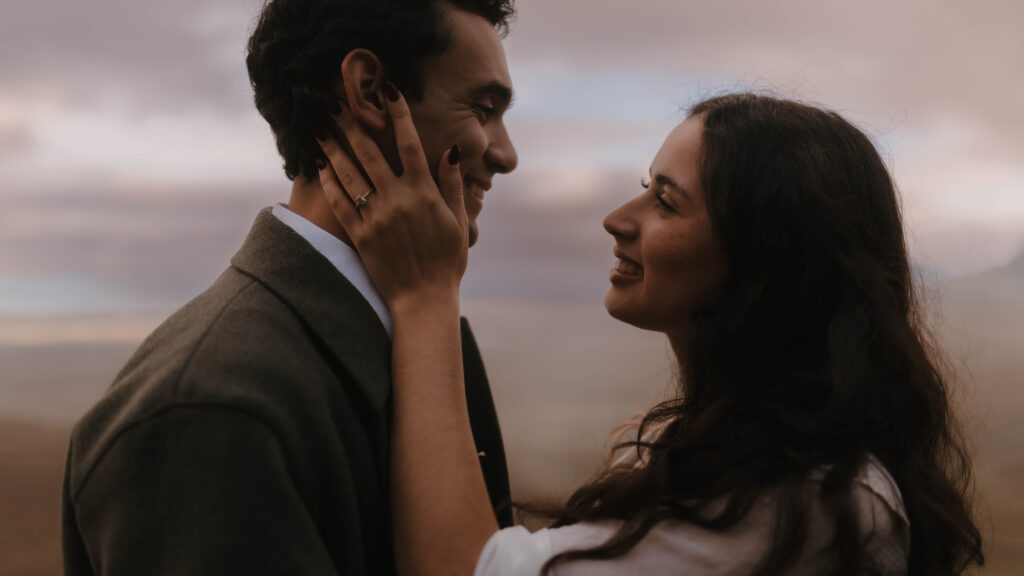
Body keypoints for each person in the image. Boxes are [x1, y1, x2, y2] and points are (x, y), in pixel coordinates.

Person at [316, 92, 985, 575]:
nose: (617, 217)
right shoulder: (705, 449)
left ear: (763, 262)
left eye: (666, 201)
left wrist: (425, 292)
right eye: (644, 187)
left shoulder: (810, 503)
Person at [60, 0, 518, 574]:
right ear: (371, 91)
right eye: (483, 108)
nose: (506, 154)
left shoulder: (426, 330)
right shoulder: (208, 413)